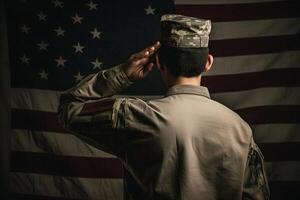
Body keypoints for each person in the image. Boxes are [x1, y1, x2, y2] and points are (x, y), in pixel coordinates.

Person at [58, 14, 269, 200]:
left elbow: (70, 107)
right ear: (208, 63)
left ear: (158, 62)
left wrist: (122, 74)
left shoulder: (134, 116)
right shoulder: (239, 128)